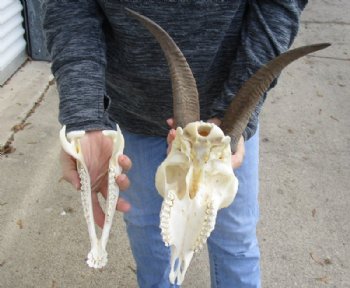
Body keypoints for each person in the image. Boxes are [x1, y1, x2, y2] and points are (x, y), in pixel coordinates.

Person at [43, 1, 307, 287]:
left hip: (226, 128)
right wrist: (85, 119)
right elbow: (69, 7)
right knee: (148, 232)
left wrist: (236, 110)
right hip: (135, 110)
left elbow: (278, 6)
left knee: (235, 237)